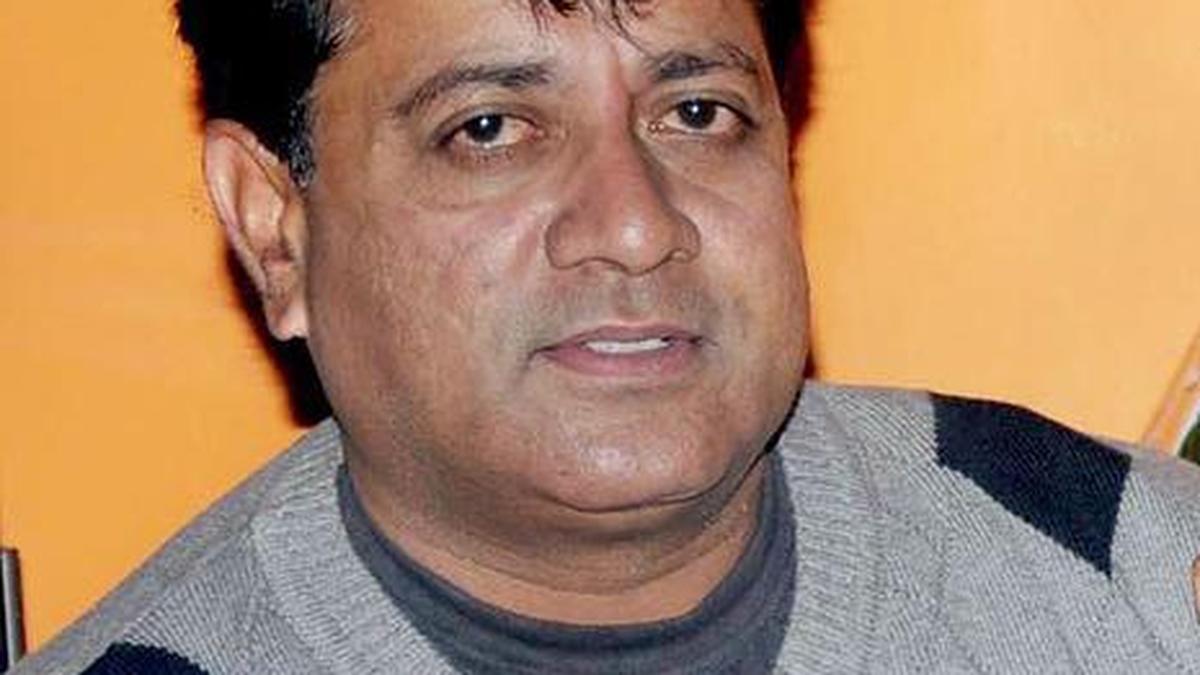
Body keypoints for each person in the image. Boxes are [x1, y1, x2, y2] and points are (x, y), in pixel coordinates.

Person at [14, 0, 1200, 672]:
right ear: (276, 227)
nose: (634, 227)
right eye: (489, 129)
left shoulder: (1134, 575)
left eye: (698, 112)